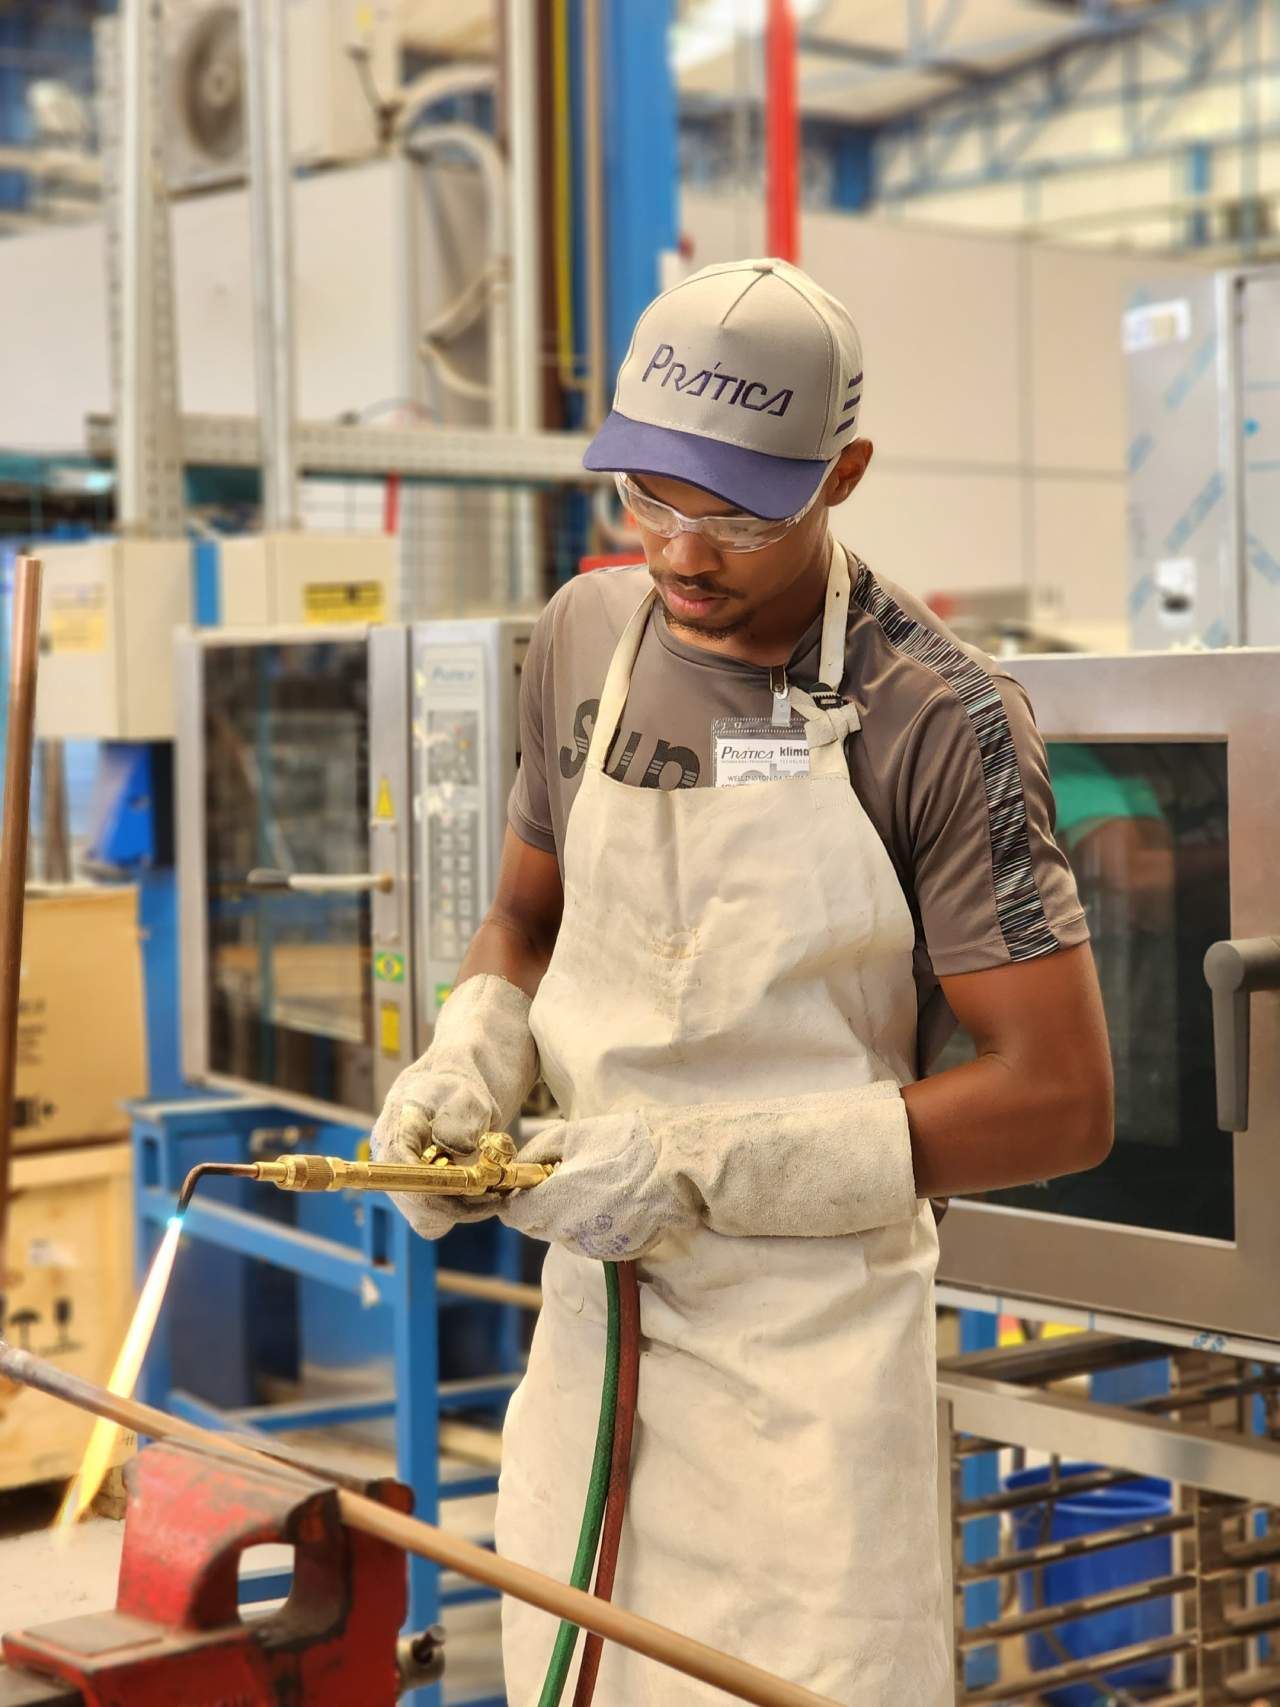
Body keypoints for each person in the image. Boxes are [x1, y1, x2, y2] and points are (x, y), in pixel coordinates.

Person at [372, 257, 1114, 1705]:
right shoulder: (584, 637)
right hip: (592, 1326)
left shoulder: (940, 721)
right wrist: (469, 1048)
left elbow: (1061, 1102)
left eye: (736, 512)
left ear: (843, 474)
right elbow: (527, 913)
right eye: (646, 495)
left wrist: (703, 1172)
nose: (683, 552)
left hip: (808, 1377)